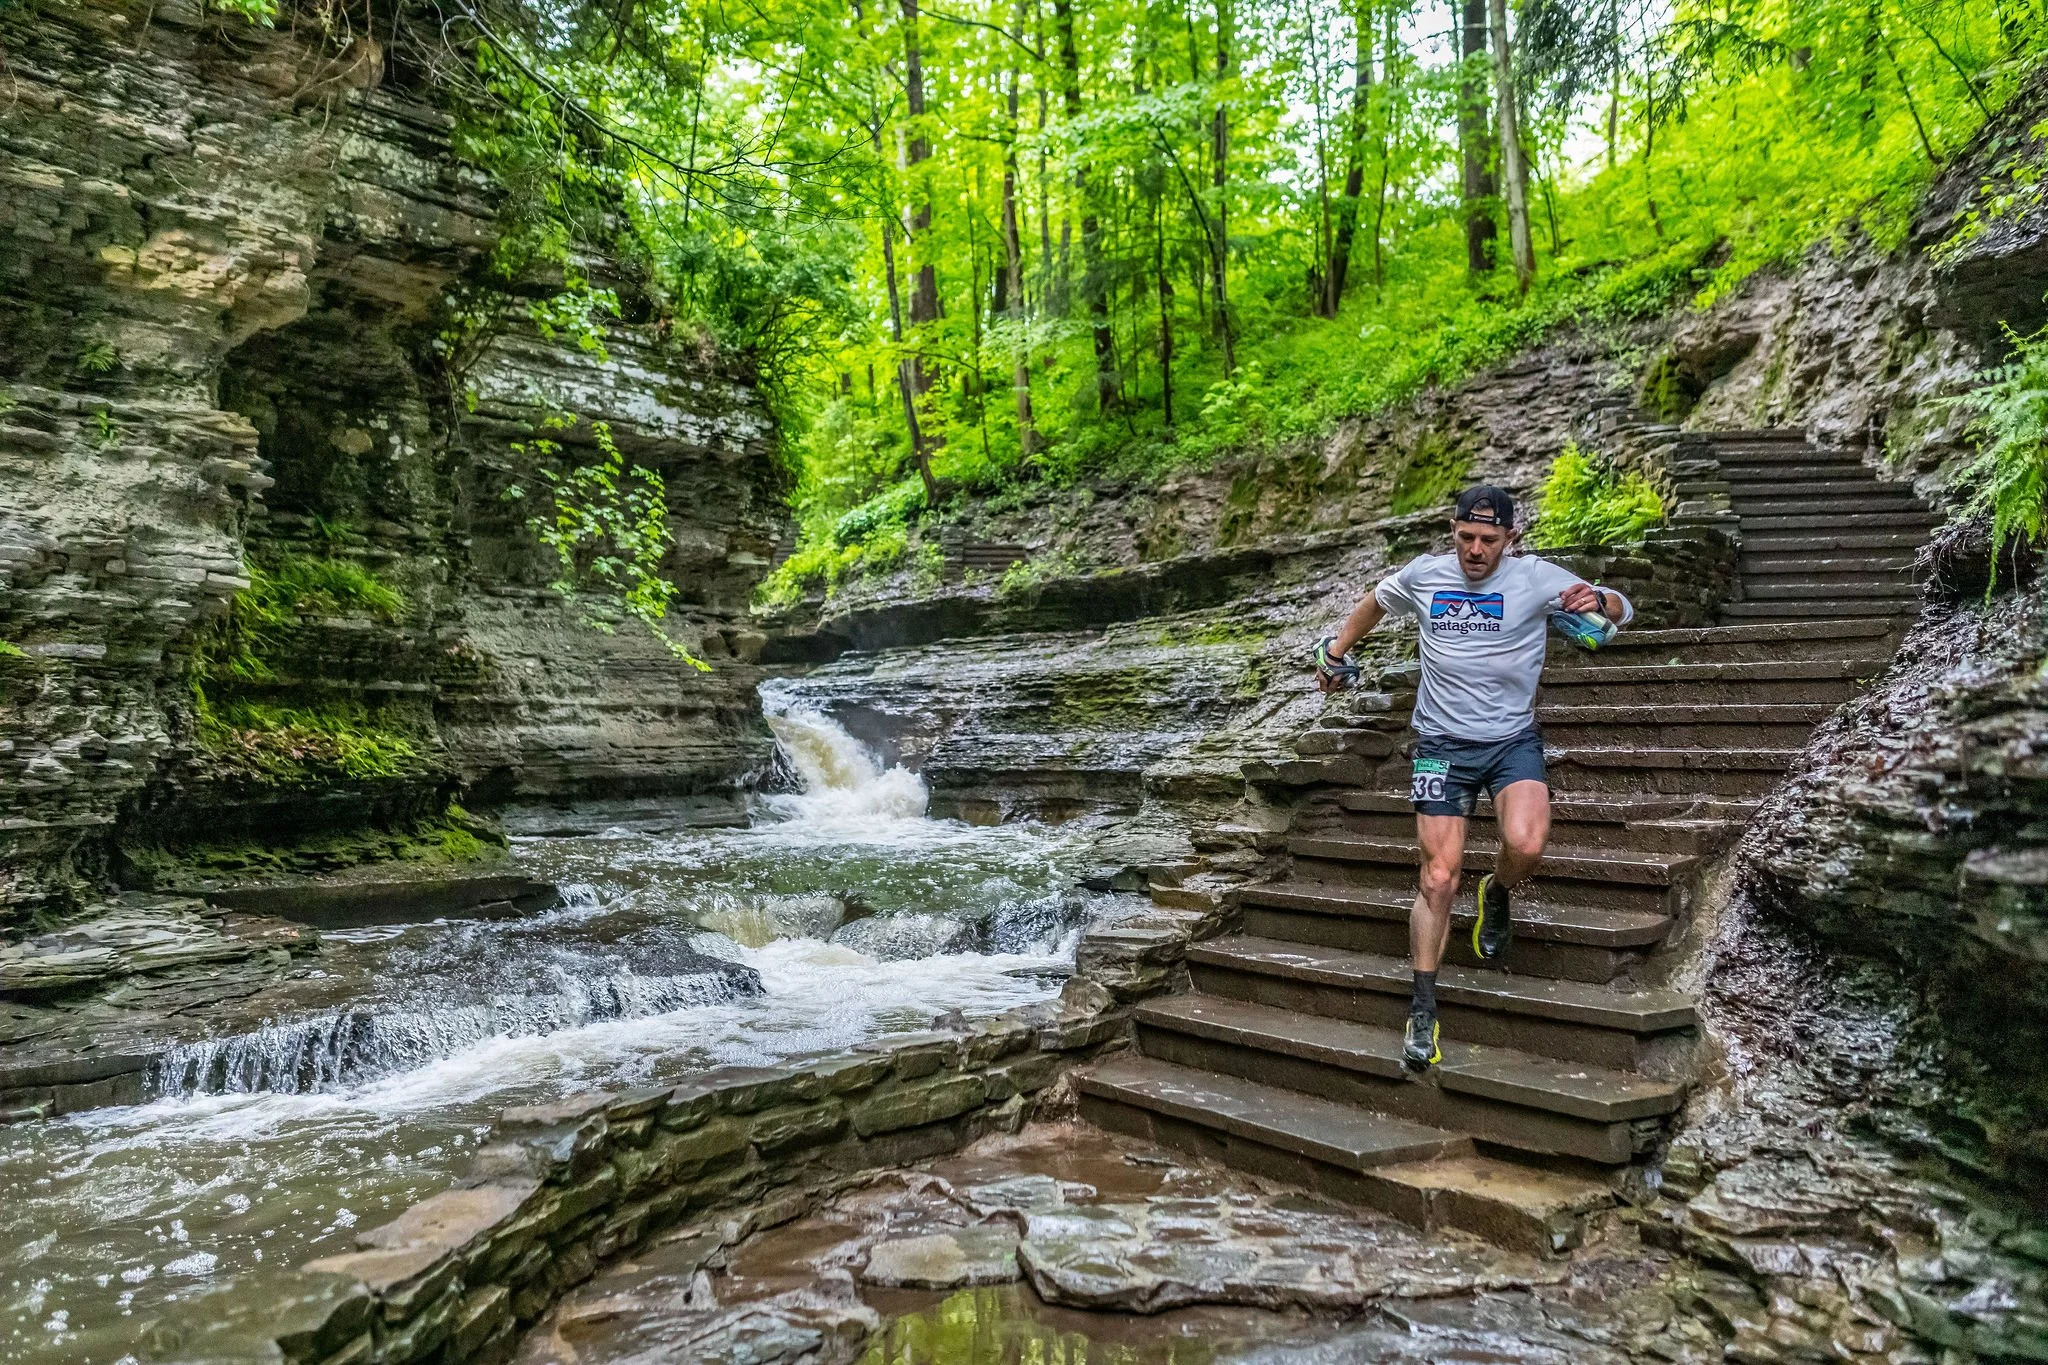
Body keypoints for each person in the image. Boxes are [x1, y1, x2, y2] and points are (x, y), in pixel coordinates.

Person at [1309, 485, 1632, 1072]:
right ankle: (1423, 1010)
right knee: (1436, 876)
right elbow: (1375, 602)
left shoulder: (1535, 577)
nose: (1475, 550)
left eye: (1488, 539)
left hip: (1512, 742)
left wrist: (1601, 599)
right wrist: (1335, 651)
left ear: (1511, 538)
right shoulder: (1426, 575)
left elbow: (1617, 610)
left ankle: (1498, 891)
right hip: (1440, 745)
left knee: (1527, 844)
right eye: (1465, 537)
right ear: (1451, 530)